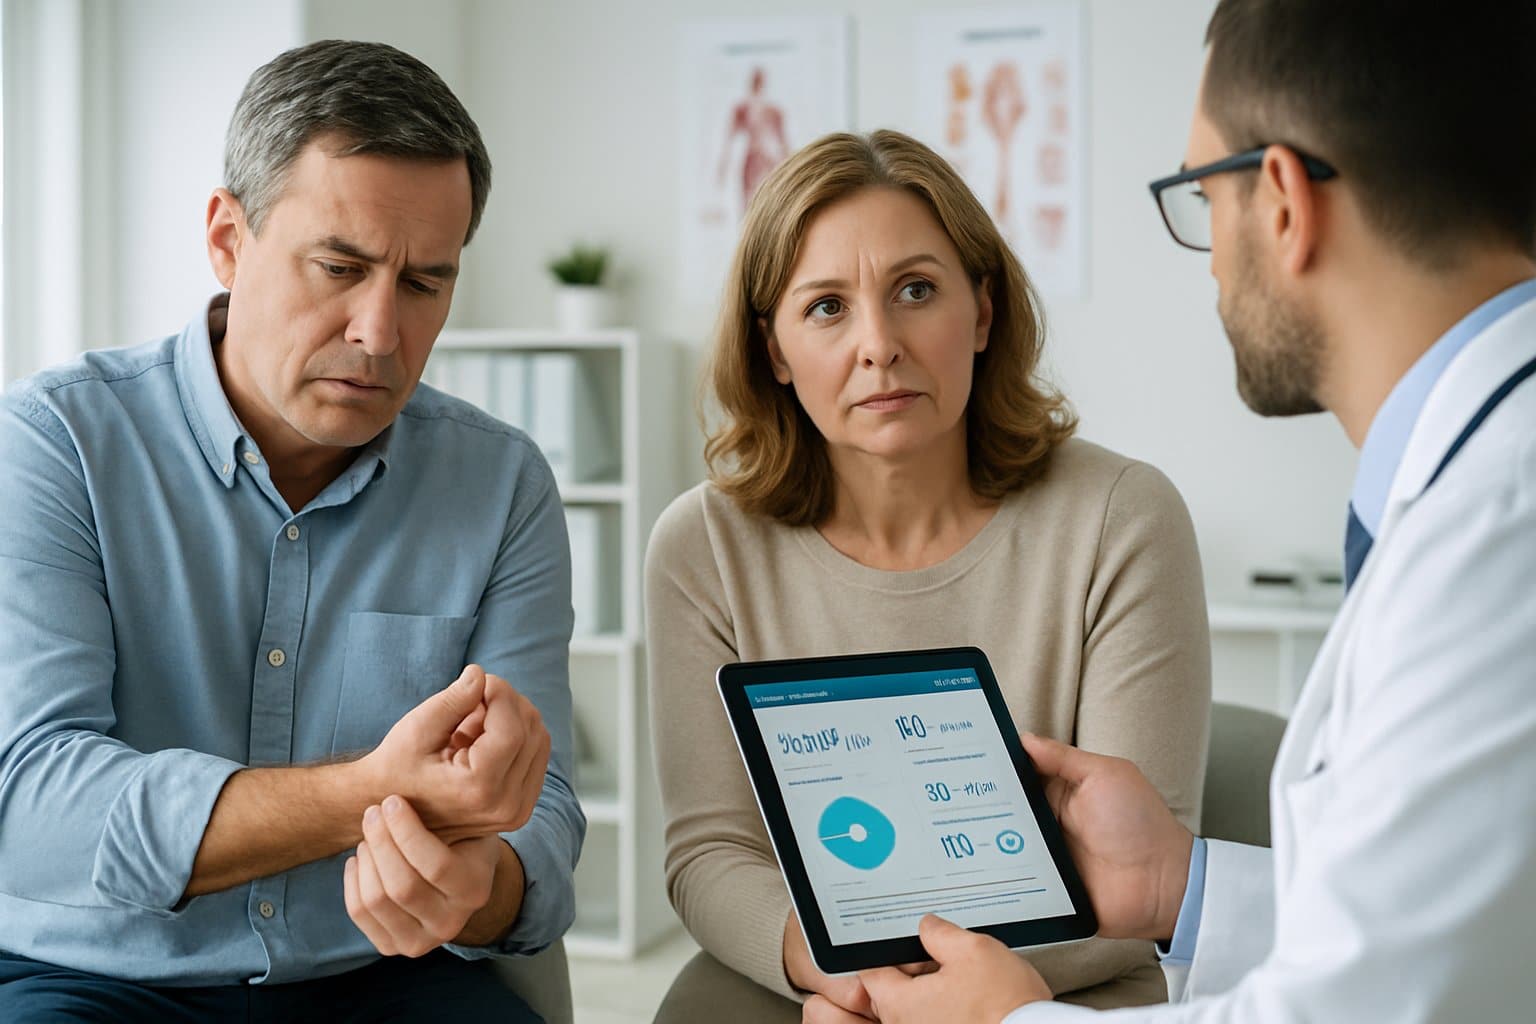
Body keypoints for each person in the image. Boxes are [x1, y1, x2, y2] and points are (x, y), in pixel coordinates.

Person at [822, 2, 1536, 1021]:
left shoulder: (1499, 536)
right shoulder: (1484, 489)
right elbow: (1443, 932)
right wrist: (1180, 887)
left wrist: (1003, 1021)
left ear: (1282, 200)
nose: (1206, 257)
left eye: (1204, 193)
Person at [0, 40, 584, 1021]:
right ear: (228, 237)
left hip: (383, 979)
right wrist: (364, 793)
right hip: (94, 976)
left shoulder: (502, 483)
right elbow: (32, 803)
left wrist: (477, 886)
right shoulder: (53, 445)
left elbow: (545, 816)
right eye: (340, 267)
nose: (379, 332)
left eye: (423, 282)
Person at [646, 128, 1212, 1018]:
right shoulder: (702, 546)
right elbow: (710, 853)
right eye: (826, 307)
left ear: (983, 312)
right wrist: (843, 972)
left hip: (1063, 993)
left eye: (916, 290)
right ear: (775, 352)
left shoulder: (1123, 517)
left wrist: (964, 994)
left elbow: (1136, 875)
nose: (879, 344)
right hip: (819, 990)